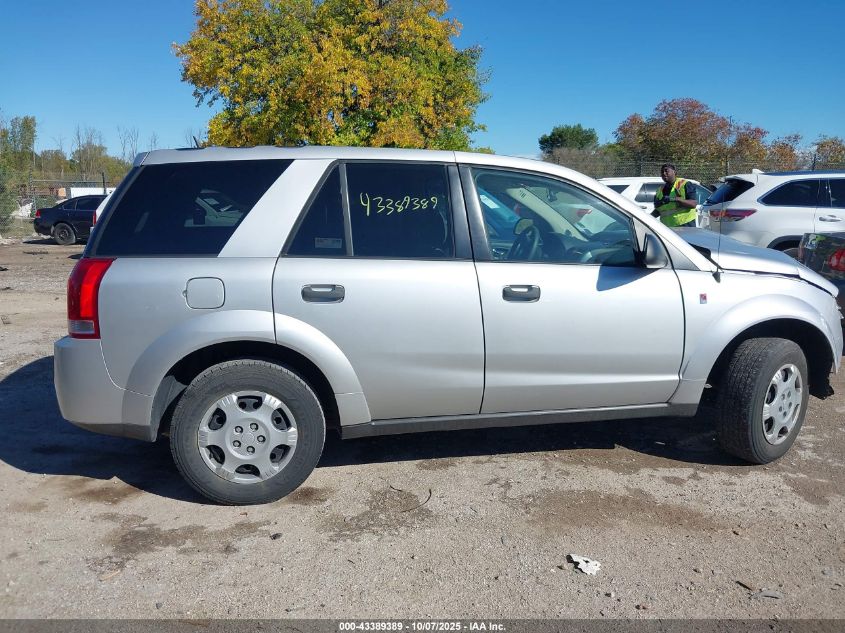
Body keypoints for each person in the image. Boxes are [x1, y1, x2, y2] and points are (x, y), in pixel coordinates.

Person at [652, 163, 698, 228]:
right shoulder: (660, 190)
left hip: (684, 225)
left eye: (666, 171)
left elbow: (693, 204)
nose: (664, 173)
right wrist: (647, 217)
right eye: (662, 172)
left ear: (674, 172)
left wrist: (675, 199)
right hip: (668, 228)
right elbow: (660, 211)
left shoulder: (684, 184)